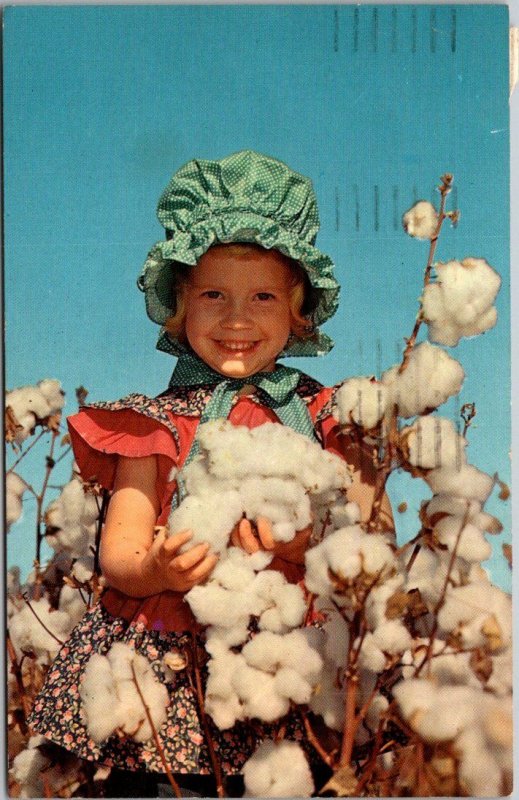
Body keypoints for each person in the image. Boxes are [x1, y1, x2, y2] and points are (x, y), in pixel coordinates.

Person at [28, 150, 393, 796]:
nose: (235, 318)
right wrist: (160, 571)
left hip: (288, 671)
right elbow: (121, 552)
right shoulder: (153, 425)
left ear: (298, 310)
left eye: (261, 297)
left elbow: (370, 534)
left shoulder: (330, 417)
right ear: (179, 305)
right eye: (213, 295)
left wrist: (298, 544)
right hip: (166, 674)